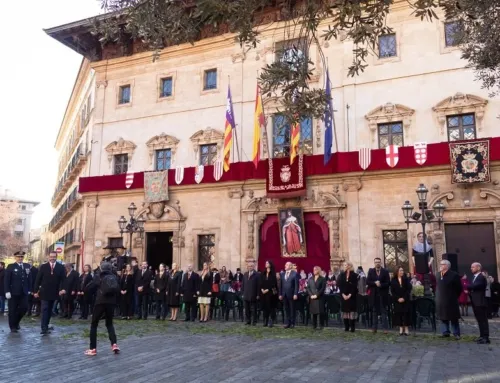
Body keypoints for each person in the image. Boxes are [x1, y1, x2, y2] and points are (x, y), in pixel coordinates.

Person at [85, 262, 120, 356]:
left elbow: (89, 288)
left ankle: (93, 348)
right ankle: (114, 344)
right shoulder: (114, 277)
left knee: (94, 324)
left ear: (101, 268)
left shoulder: (98, 276)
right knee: (109, 323)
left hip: (100, 302)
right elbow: (118, 289)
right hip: (111, 302)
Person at [34, 251, 66, 335]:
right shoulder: (43, 267)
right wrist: (35, 291)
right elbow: (38, 279)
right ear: (48, 257)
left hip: (55, 292)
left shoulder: (61, 267)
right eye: (51, 256)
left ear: (56, 257)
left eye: (54, 257)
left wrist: (63, 289)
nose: (52, 258)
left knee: (49, 310)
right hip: (44, 292)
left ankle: (46, 325)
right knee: (44, 309)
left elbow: (64, 280)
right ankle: (43, 328)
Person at [4, 251, 32, 332]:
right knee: (12, 309)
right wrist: (7, 291)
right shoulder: (11, 266)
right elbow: (7, 280)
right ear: (15, 257)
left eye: (21, 257)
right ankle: (12, 327)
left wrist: (30, 289)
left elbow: (29, 278)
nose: (20, 258)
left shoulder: (27, 266)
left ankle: (16, 322)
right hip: (13, 292)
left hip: (24, 292)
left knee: (24, 308)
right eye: (18, 257)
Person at [435, 259, 462, 340]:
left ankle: (456, 333)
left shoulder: (454, 275)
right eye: (440, 264)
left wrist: (454, 296)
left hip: (451, 299)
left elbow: (459, 288)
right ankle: (445, 332)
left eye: (442, 264)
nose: (440, 265)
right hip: (440, 299)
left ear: (447, 266)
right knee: (443, 316)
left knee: (453, 317)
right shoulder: (438, 274)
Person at [468, 263, 490, 344]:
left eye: (473, 267)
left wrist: (465, 285)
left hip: (480, 301)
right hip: (474, 301)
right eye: (471, 267)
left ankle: (486, 337)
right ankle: (481, 336)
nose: (471, 268)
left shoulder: (481, 276)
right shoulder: (474, 277)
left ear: (478, 267)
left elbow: (475, 286)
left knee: (483, 320)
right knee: (479, 320)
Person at [366, 257, 390, 333]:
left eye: (379, 262)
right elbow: (367, 282)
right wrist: (374, 283)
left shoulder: (385, 271)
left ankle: (385, 328)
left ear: (381, 263)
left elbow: (388, 283)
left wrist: (381, 285)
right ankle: (374, 328)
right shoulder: (371, 271)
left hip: (382, 295)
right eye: (376, 262)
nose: (377, 263)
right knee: (374, 312)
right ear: (374, 263)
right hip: (374, 295)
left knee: (383, 312)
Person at [391, 266, 412, 336]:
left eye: (402, 270)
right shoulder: (393, 280)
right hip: (397, 300)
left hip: (405, 299)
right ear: (397, 271)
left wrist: (404, 298)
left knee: (406, 314)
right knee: (399, 313)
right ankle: (400, 328)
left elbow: (408, 289)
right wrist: (398, 298)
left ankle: (406, 328)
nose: (402, 272)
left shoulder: (406, 279)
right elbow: (392, 291)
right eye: (400, 270)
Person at [338, 261, 358, 332]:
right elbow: (339, 285)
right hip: (343, 295)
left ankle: (352, 327)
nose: (345, 266)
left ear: (350, 265)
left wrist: (350, 294)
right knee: (345, 311)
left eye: (346, 265)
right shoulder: (341, 275)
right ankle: (346, 327)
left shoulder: (355, 275)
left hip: (351, 296)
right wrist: (343, 294)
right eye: (344, 265)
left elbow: (355, 286)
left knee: (352, 311)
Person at [279, 261, 298, 329]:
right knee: (286, 309)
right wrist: (280, 294)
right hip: (284, 294)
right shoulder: (282, 274)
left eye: (287, 265)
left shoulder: (294, 274)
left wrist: (295, 294)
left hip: (292, 294)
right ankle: (287, 323)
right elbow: (280, 285)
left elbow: (296, 285)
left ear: (290, 266)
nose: (285, 266)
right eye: (285, 264)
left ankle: (292, 323)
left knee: (292, 309)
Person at [307, 265, 326, 330]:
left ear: (319, 270)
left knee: (320, 312)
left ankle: (321, 325)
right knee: (313, 313)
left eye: (316, 269)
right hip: (312, 298)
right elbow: (308, 288)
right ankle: (314, 325)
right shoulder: (310, 279)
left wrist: (317, 295)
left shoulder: (322, 279)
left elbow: (322, 289)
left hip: (319, 298)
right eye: (313, 269)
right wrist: (311, 295)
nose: (314, 271)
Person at [259, 260, 278, 327]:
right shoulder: (263, 273)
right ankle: (265, 320)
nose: (266, 264)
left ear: (270, 264)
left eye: (267, 263)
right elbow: (260, 282)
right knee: (265, 307)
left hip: (270, 293)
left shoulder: (273, 273)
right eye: (265, 263)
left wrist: (267, 289)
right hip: (263, 293)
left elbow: (273, 283)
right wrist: (261, 289)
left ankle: (271, 321)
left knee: (271, 307)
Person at [242, 260, 260, 325]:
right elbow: (243, 284)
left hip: (253, 294)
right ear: (247, 267)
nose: (250, 267)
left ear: (254, 267)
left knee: (254, 309)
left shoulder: (257, 274)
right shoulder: (245, 274)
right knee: (247, 309)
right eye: (249, 266)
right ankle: (248, 320)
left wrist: (258, 294)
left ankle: (254, 321)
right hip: (246, 294)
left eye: (251, 266)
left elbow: (258, 285)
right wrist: (242, 293)